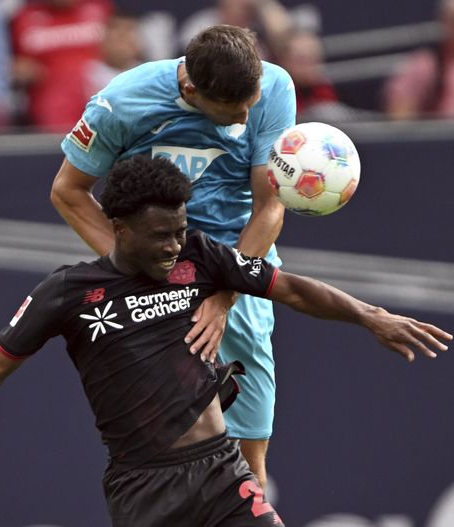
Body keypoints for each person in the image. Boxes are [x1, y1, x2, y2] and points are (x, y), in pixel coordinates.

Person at [0, 156, 451, 527]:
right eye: (159, 235)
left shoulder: (199, 256)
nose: (175, 245)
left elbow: (290, 289)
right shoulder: (67, 293)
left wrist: (371, 316)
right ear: (118, 229)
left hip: (221, 469)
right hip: (145, 488)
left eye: (180, 229)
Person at [50, 24, 293, 488]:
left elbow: (270, 207)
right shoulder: (119, 104)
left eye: (251, 103)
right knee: (171, 462)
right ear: (190, 89)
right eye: (233, 111)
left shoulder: (275, 86)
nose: (246, 119)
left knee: (249, 463)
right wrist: (140, 275)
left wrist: (223, 298)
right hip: (159, 274)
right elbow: (68, 192)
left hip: (238, 265)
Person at [10, 0, 113, 131]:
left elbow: (127, 51)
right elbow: (11, 65)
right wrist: (20, 69)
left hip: (100, 102)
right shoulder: (23, 18)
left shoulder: (101, 10)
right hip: (50, 108)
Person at [82, 10, 144, 98]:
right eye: (115, 29)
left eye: (129, 29)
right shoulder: (86, 75)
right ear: (103, 41)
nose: (122, 35)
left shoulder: (149, 74)